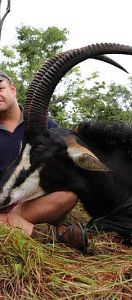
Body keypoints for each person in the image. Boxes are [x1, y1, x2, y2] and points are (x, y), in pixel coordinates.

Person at [0, 70, 88, 251]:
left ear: (13, 89)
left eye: (0, 88)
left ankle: (12, 223)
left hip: (33, 202)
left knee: (70, 194)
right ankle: (53, 235)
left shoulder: (45, 124)